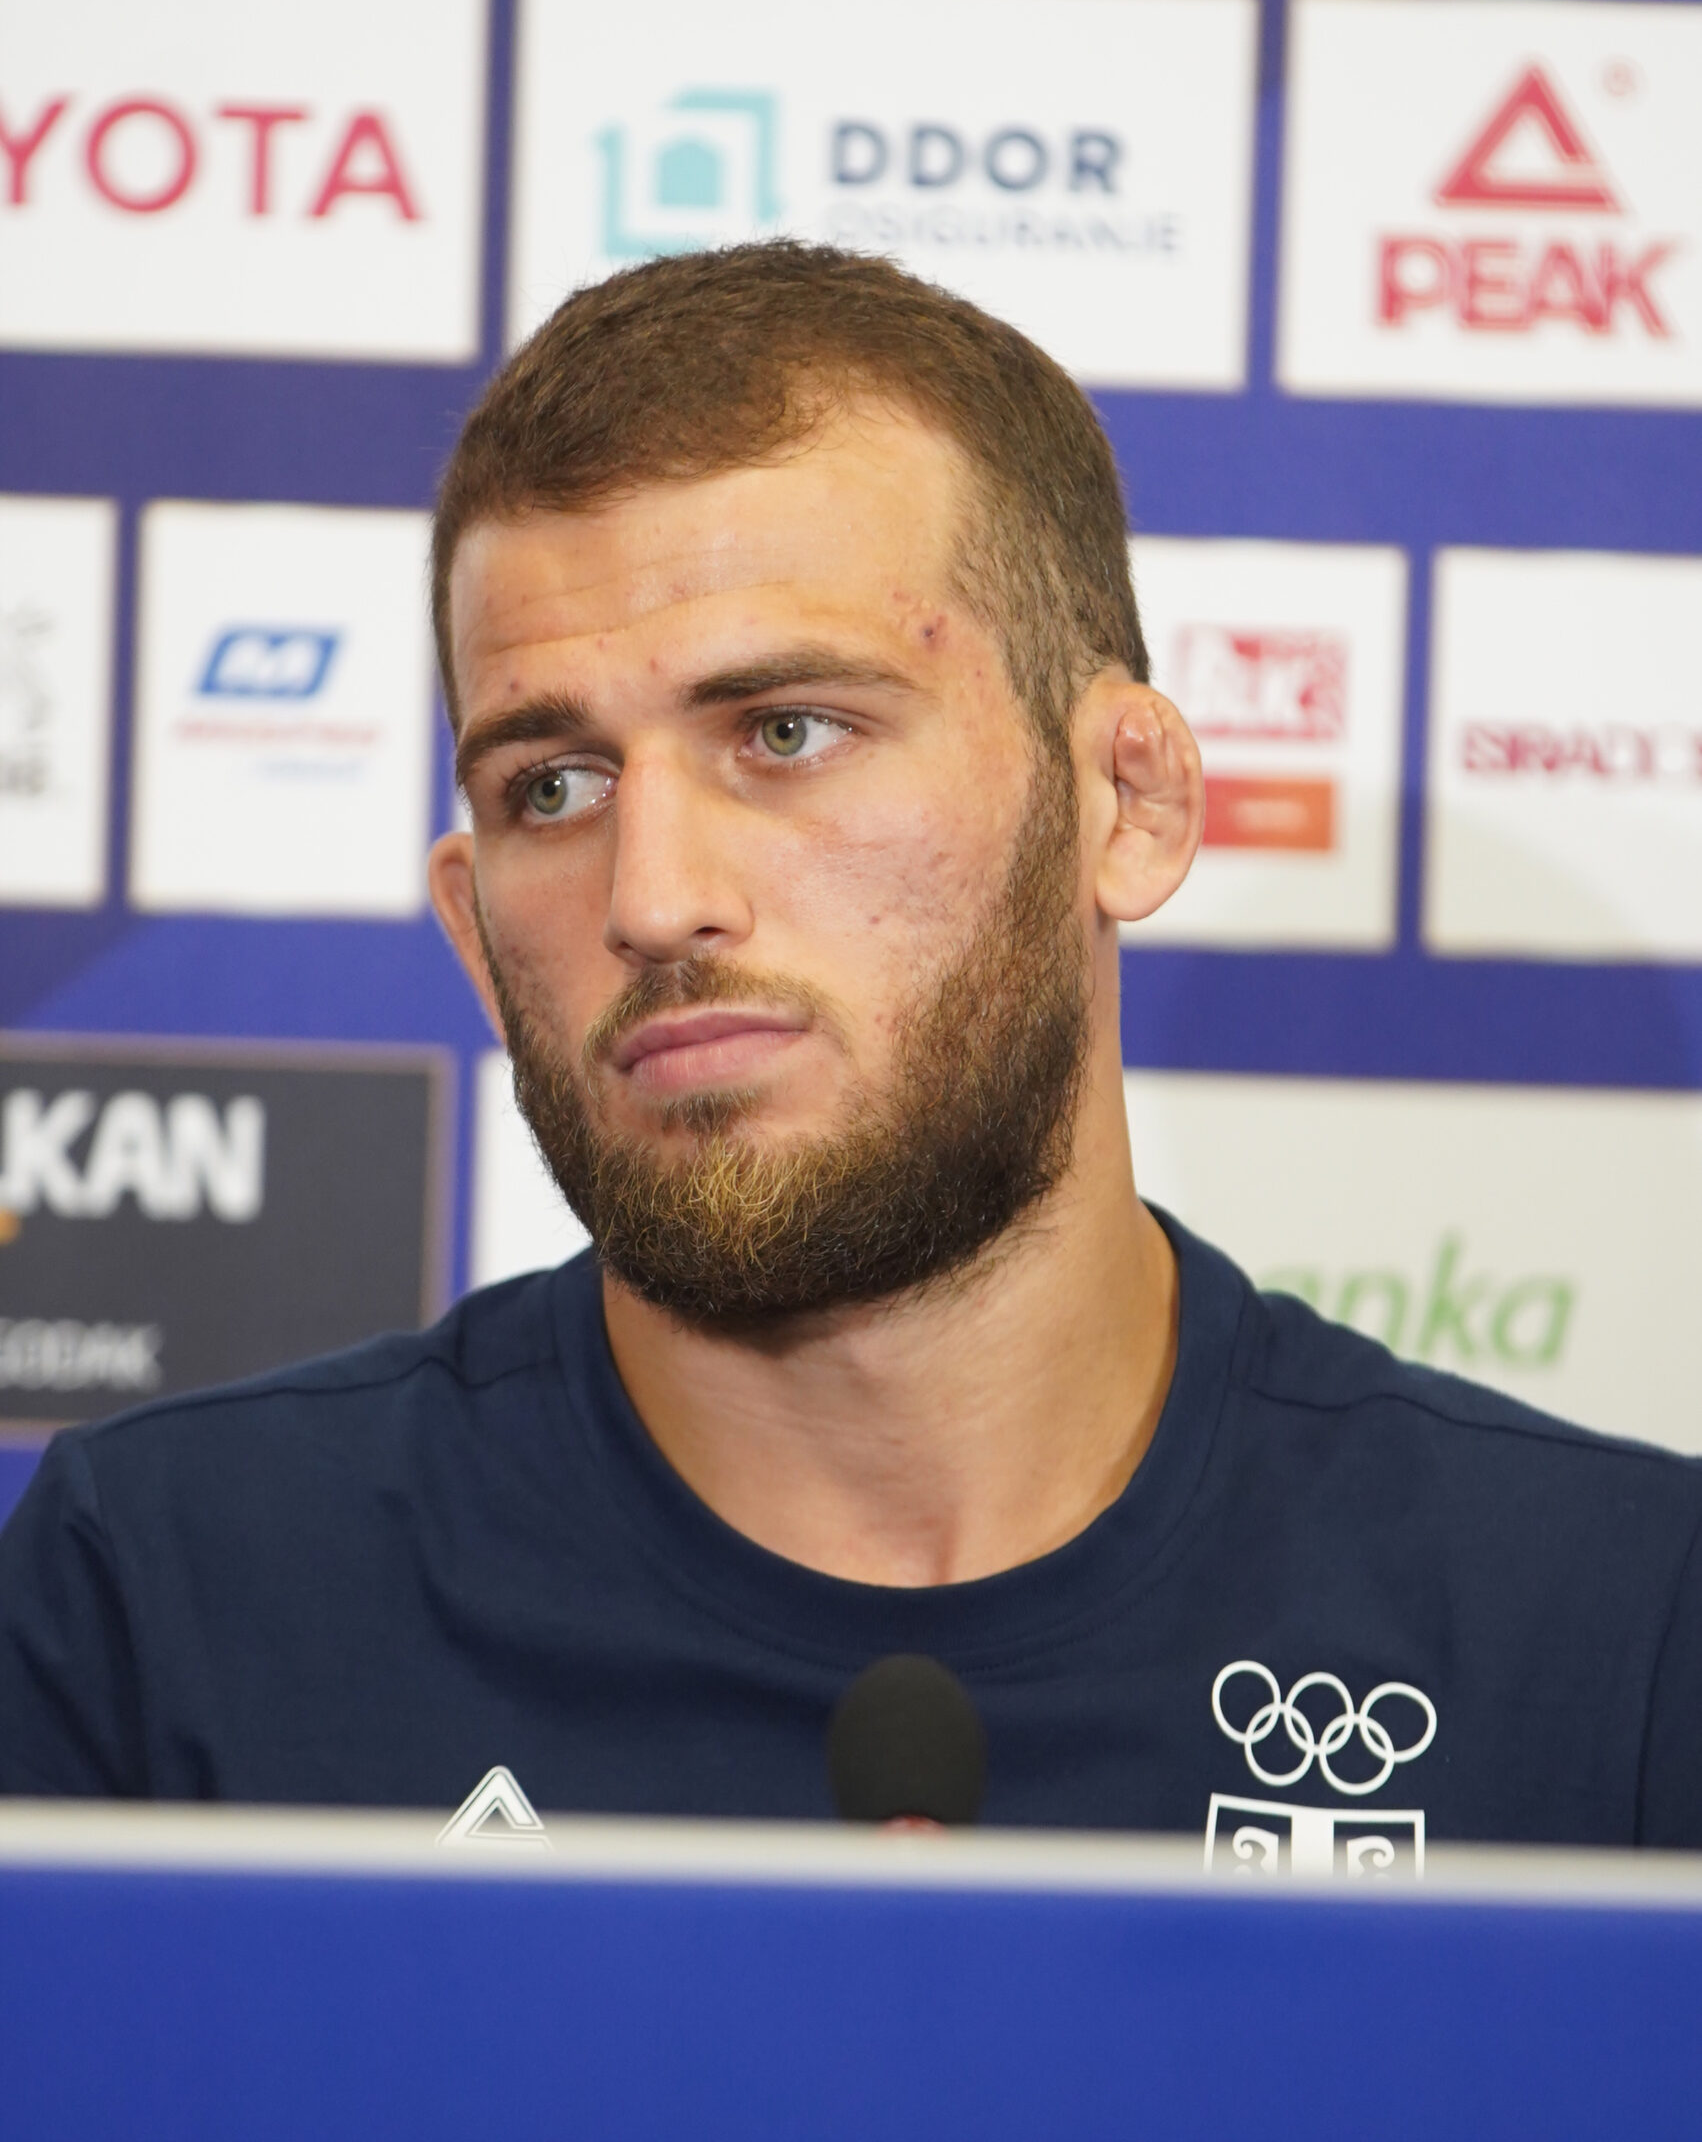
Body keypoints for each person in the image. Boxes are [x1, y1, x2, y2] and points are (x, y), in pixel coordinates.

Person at [1, 241, 1698, 1856]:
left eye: (788, 731)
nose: (652, 900)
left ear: (1129, 802)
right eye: (553, 786)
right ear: (471, 930)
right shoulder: (161, 1606)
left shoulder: (1617, 1641)